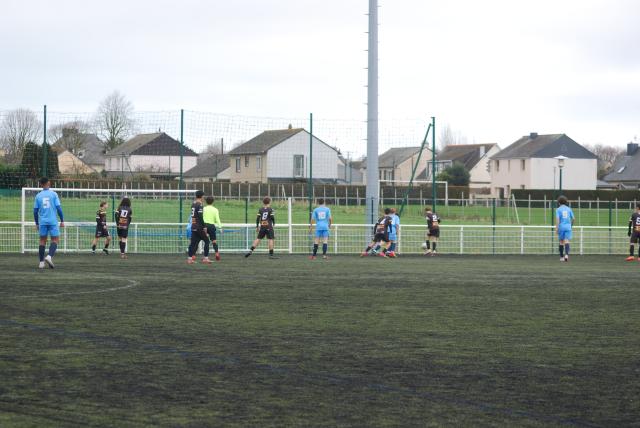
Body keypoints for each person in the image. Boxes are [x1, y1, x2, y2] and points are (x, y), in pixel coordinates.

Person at [33, 177, 64, 269]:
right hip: (52, 221)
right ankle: (49, 256)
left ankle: (41, 262)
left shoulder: (38, 196)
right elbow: (59, 208)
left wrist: (37, 223)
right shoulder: (54, 194)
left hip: (42, 221)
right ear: (49, 183)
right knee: (55, 239)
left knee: (42, 241)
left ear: (41, 184)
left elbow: (35, 211)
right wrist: (62, 220)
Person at [187, 190, 211, 264]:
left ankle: (190, 259)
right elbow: (200, 216)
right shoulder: (199, 204)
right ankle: (205, 258)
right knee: (207, 241)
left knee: (193, 243)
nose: (204, 197)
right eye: (203, 196)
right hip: (199, 226)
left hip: (193, 225)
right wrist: (204, 226)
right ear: (201, 196)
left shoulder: (193, 204)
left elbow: (193, 215)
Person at [555, 195, 574, 262]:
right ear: (566, 202)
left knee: (561, 242)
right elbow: (573, 218)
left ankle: (561, 257)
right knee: (567, 241)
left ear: (559, 202)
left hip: (561, 227)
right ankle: (566, 255)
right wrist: (571, 225)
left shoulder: (558, 209)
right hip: (568, 227)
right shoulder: (569, 209)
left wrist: (557, 228)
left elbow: (557, 220)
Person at [203, 196, 222, 261]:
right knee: (214, 241)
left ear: (206, 201)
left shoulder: (203, 209)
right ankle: (216, 253)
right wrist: (220, 227)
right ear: (213, 202)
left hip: (204, 226)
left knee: (205, 242)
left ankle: (202, 256)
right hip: (211, 226)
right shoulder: (215, 209)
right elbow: (217, 219)